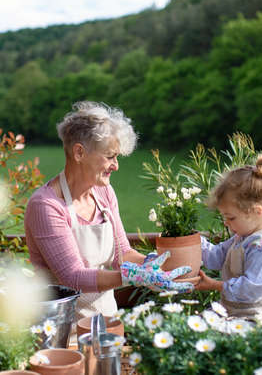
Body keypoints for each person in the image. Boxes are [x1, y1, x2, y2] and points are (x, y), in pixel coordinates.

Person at [25, 101, 194, 326]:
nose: (116, 165)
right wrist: (130, 277)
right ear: (79, 152)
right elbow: (72, 276)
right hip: (61, 330)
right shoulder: (46, 205)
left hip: (105, 322)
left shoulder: (104, 193)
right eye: (110, 156)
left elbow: (122, 253)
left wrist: (148, 265)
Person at [195, 153, 262, 321]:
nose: (225, 223)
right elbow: (216, 257)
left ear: (257, 211)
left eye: (231, 217)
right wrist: (194, 241)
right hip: (235, 314)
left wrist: (215, 285)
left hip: (258, 320)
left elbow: (249, 290)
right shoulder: (243, 237)